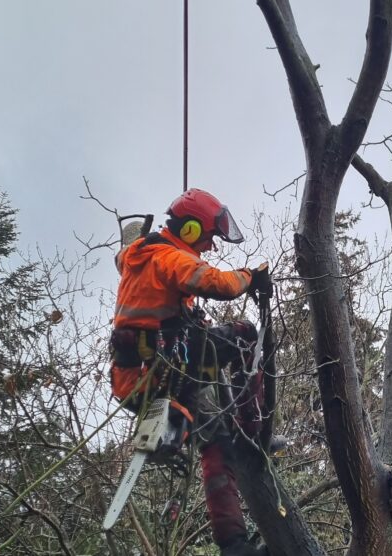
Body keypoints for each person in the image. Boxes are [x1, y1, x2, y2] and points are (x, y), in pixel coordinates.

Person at [109, 188, 271, 556]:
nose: (212, 247)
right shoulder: (170, 258)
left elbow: (124, 257)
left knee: (215, 441)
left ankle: (234, 545)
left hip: (137, 380)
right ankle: (252, 425)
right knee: (245, 334)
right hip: (167, 371)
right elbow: (217, 284)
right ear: (191, 230)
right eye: (210, 237)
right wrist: (252, 277)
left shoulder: (137, 255)